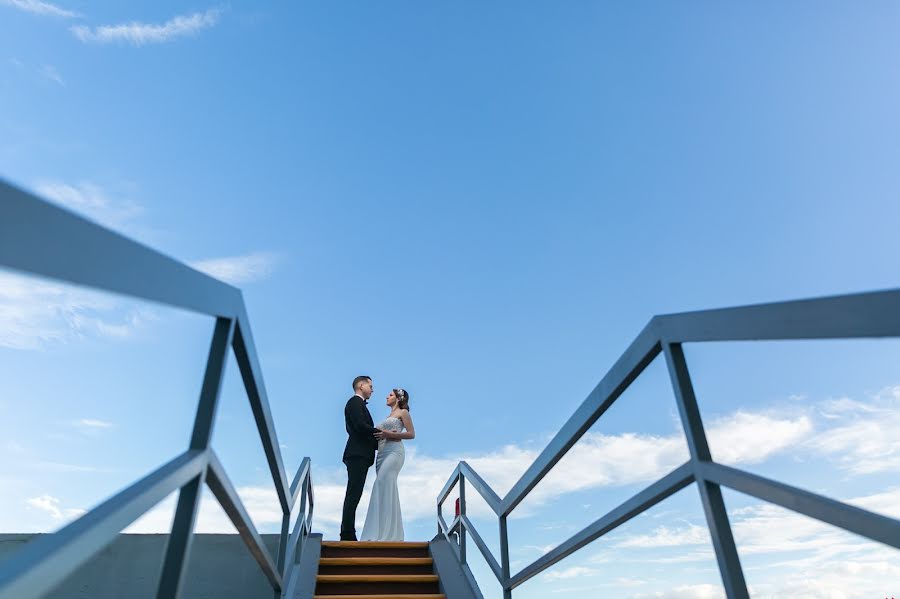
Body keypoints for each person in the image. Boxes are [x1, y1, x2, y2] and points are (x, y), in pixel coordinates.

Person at [360, 388, 415, 541]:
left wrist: (389, 434)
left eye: (390, 395)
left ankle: (388, 534)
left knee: (381, 482)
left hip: (394, 452)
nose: (387, 396)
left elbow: (411, 434)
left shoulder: (403, 413)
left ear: (398, 398)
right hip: (381, 454)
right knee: (384, 487)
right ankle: (380, 531)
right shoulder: (388, 416)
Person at [340, 375, 379, 541]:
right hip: (357, 454)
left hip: (360, 454)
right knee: (353, 494)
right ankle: (347, 534)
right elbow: (360, 426)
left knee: (355, 494)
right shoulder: (354, 402)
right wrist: (382, 434)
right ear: (361, 385)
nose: (372, 389)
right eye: (370, 386)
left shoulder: (358, 404)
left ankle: (347, 532)